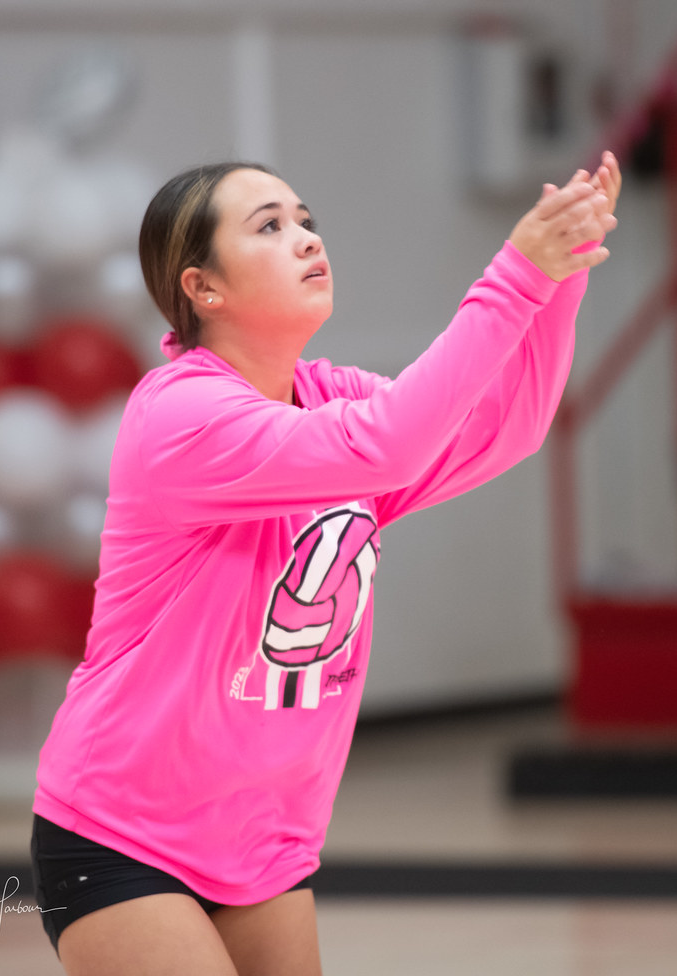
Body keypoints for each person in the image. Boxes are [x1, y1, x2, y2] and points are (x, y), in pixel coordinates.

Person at [31, 152, 622, 975]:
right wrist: (516, 272)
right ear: (204, 288)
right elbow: (391, 440)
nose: (306, 238)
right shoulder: (179, 415)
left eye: (305, 219)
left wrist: (561, 278)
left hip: (262, 838)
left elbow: (506, 425)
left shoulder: (328, 393)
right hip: (121, 829)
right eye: (270, 227)